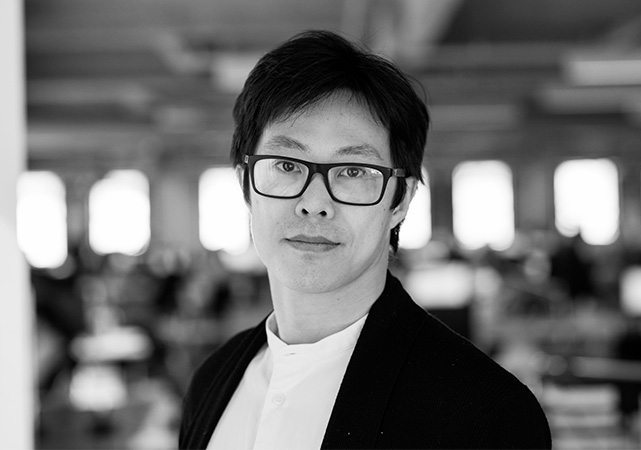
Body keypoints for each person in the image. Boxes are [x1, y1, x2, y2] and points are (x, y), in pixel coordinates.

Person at [179, 30, 552, 449]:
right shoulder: (212, 382)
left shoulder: (483, 415)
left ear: (400, 201)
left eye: (353, 171)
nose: (314, 203)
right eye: (286, 165)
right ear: (246, 185)